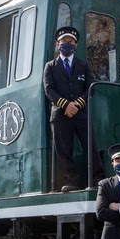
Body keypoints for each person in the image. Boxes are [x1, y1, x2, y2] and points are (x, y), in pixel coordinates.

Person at [43, 26, 104, 192]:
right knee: (63, 150)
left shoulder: (83, 65)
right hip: (60, 114)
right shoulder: (50, 66)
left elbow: (90, 87)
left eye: (70, 41)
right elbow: (49, 89)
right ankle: (72, 181)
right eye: (64, 41)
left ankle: (98, 180)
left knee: (91, 147)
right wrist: (66, 105)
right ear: (58, 45)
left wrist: (76, 104)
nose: (67, 44)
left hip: (81, 113)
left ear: (75, 45)